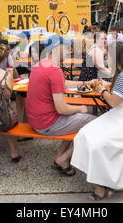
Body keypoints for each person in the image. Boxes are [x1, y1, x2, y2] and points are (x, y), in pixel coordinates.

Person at [71, 42, 123, 200]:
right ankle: (107, 181)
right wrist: (109, 85)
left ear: (116, 57)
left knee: (96, 143)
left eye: (107, 55)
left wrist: (102, 90)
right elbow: (122, 95)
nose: (105, 58)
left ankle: (101, 185)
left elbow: (113, 102)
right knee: (86, 134)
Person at [25, 37, 96, 176]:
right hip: (46, 123)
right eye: (67, 47)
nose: (70, 50)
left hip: (35, 120)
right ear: (56, 49)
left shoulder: (41, 65)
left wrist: (86, 83)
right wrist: (79, 108)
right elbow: (62, 108)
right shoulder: (54, 70)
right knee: (95, 123)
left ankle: (60, 156)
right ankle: (63, 159)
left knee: (76, 119)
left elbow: (62, 83)